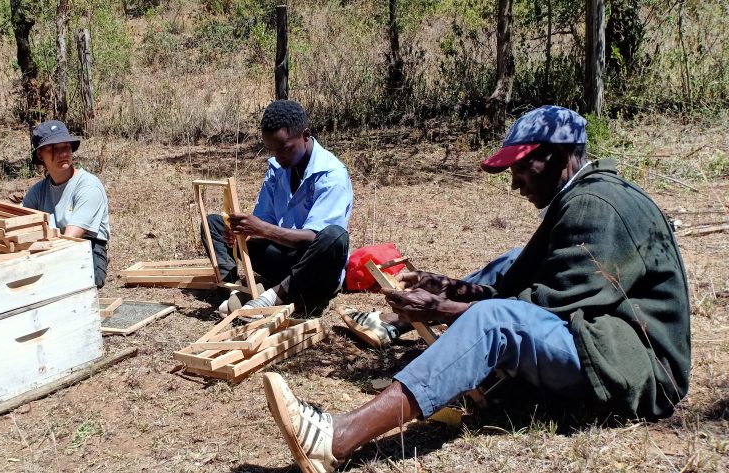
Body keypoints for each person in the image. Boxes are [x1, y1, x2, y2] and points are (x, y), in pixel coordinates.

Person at [261, 105, 690, 472]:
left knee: (492, 321)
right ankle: (400, 328)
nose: (516, 182)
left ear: (559, 157)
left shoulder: (597, 208)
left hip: (637, 367)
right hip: (602, 339)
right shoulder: (581, 196)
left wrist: (444, 309)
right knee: (510, 259)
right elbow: (523, 279)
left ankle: (336, 439)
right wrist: (449, 288)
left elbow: (547, 307)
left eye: (522, 168)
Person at [203, 100, 352, 317]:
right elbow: (264, 223)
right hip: (281, 258)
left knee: (335, 237)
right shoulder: (277, 168)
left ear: (305, 134)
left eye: (283, 148)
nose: (277, 156)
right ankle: (236, 288)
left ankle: (277, 294)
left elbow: (313, 239)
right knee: (215, 224)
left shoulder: (332, 175)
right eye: (271, 150)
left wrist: (262, 229)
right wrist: (241, 233)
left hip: (314, 268)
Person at [20, 120, 110, 288]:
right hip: (50, 249)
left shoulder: (88, 186)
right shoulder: (38, 191)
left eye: (65, 147)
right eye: (54, 148)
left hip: (86, 249)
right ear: (40, 154)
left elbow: (71, 238)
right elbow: (18, 222)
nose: (62, 153)